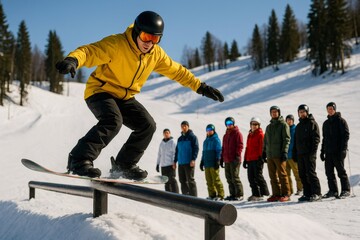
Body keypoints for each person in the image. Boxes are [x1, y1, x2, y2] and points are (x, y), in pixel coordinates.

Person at [55, 11, 224, 179]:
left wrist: (201, 87)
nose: (149, 43)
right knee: (113, 121)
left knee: (147, 125)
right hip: (100, 90)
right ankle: (79, 159)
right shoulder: (117, 44)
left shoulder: (156, 55)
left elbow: (177, 71)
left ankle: (124, 164)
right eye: (145, 36)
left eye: (155, 39)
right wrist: (73, 60)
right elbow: (90, 51)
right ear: (137, 32)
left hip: (125, 97)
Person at [320, 102, 350, 199]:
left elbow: (345, 136)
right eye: (328, 109)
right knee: (329, 172)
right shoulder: (326, 123)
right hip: (328, 152)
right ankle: (333, 191)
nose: (330, 110)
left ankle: (345, 190)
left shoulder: (341, 121)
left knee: (341, 171)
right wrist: (322, 151)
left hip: (338, 151)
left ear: (335, 109)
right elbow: (324, 138)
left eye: (331, 109)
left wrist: (343, 150)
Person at [293, 104, 322, 202]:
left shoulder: (312, 123)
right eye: (300, 112)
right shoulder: (298, 126)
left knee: (310, 173)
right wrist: (294, 153)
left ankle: (316, 193)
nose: (302, 114)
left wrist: (313, 153)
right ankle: (307, 193)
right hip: (300, 154)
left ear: (307, 112)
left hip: (309, 153)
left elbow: (316, 139)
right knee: (302, 174)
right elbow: (295, 141)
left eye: (303, 112)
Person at [263, 106, 291, 202]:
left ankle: (286, 194)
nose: (274, 113)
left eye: (276, 112)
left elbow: (286, 139)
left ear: (279, 113)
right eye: (272, 112)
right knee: (272, 176)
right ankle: (276, 194)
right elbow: (265, 141)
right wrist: (264, 152)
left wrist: (284, 151)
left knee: (282, 175)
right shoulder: (269, 127)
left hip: (279, 154)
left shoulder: (283, 125)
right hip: (270, 155)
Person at [243, 117, 269, 201]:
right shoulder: (250, 135)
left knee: (258, 177)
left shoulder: (260, 134)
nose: (254, 126)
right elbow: (247, 148)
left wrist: (261, 157)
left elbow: (262, 147)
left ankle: (264, 193)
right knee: (251, 177)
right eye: (252, 124)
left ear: (259, 125)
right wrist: (245, 159)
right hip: (250, 159)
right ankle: (256, 194)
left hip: (257, 159)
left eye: (256, 124)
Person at [220, 117, 244, 201]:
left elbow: (240, 145)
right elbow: (223, 148)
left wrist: (237, 155)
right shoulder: (225, 135)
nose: (229, 125)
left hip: (235, 159)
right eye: (227, 123)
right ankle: (232, 194)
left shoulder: (237, 133)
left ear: (233, 124)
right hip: (227, 159)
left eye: (230, 123)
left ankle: (239, 194)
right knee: (229, 177)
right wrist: (222, 158)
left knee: (235, 177)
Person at [200, 124, 224, 200]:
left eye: (211, 130)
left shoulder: (216, 140)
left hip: (213, 163)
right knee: (209, 180)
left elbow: (219, 150)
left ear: (213, 130)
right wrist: (202, 161)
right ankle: (212, 194)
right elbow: (204, 152)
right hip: (207, 163)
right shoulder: (205, 141)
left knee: (216, 179)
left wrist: (218, 160)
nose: (209, 132)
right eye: (208, 130)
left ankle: (220, 195)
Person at [174, 121, 199, 196]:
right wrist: (175, 161)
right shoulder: (180, 139)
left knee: (190, 180)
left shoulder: (192, 137)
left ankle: (194, 197)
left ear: (188, 126)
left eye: (185, 126)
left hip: (189, 162)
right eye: (182, 126)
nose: (184, 128)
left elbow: (196, 148)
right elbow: (177, 151)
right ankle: (186, 196)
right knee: (182, 180)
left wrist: (193, 159)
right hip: (181, 163)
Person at [156, 128, 179, 193]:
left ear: (169, 133)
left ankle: (176, 194)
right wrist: (158, 164)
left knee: (172, 180)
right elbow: (159, 154)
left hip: (170, 164)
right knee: (165, 181)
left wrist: (174, 162)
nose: (166, 134)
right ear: (163, 134)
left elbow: (175, 152)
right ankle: (168, 195)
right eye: (165, 133)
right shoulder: (161, 143)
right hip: (163, 165)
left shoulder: (173, 142)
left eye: (167, 133)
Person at [285, 114, 303, 196]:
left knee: (297, 173)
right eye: (288, 120)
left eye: (291, 120)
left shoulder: (295, 129)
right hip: (286, 156)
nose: (289, 121)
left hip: (293, 155)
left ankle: (300, 189)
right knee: (287, 174)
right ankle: (289, 190)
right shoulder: (285, 129)